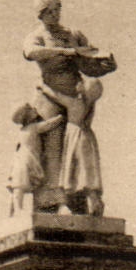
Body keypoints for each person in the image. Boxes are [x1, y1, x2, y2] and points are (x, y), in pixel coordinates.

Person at [22, 0, 115, 212]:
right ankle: (53, 202)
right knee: (53, 147)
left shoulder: (73, 34)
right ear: (41, 14)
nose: (55, 15)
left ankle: (78, 198)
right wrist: (64, 51)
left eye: (57, 9)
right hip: (48, 95)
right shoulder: (37, 35)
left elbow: (87, 62)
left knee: (78, 141)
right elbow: (30, 51)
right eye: (49, 11)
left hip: (74, 91)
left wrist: (104, 65)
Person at [34, 79, 104, 215]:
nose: (78, 83)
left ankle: (70, 201)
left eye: (82, 83)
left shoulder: (77, 103)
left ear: (84, 89)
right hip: (88, 136)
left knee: (71, 169)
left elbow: (58, 97)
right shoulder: (91, 104)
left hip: (75, 136)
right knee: (87, 169)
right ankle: (93, 199)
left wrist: (43, 87)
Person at [6, 102, 63, 215]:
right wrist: (60, 118)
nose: (35, 109)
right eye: (32, 109)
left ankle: (12, 211)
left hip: (20, 159)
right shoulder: (33, 127)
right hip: (27, 160)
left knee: (17, 187)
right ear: (28, 115)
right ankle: (17, 210)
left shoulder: (22, 131)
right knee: (19, 186)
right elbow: (48, 125)